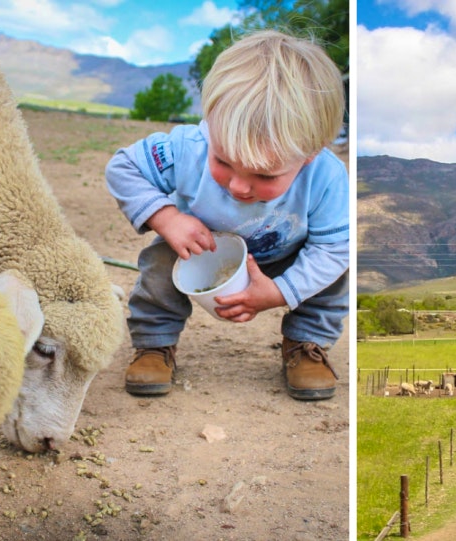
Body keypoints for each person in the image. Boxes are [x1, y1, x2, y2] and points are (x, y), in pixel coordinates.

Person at [105, 30, 348, 401]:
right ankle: (154, 344)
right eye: (223, 161)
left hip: (286, 256)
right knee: (160, 262)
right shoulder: (188, 146)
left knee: (332, 272)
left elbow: (333, 248)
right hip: (201, 248)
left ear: (310, 153)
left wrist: (280, 291)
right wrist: (167, 218)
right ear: (209, 123)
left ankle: (306, 345)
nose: (237, 186)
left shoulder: (327, 176)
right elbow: (123, 167)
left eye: (264, 176)